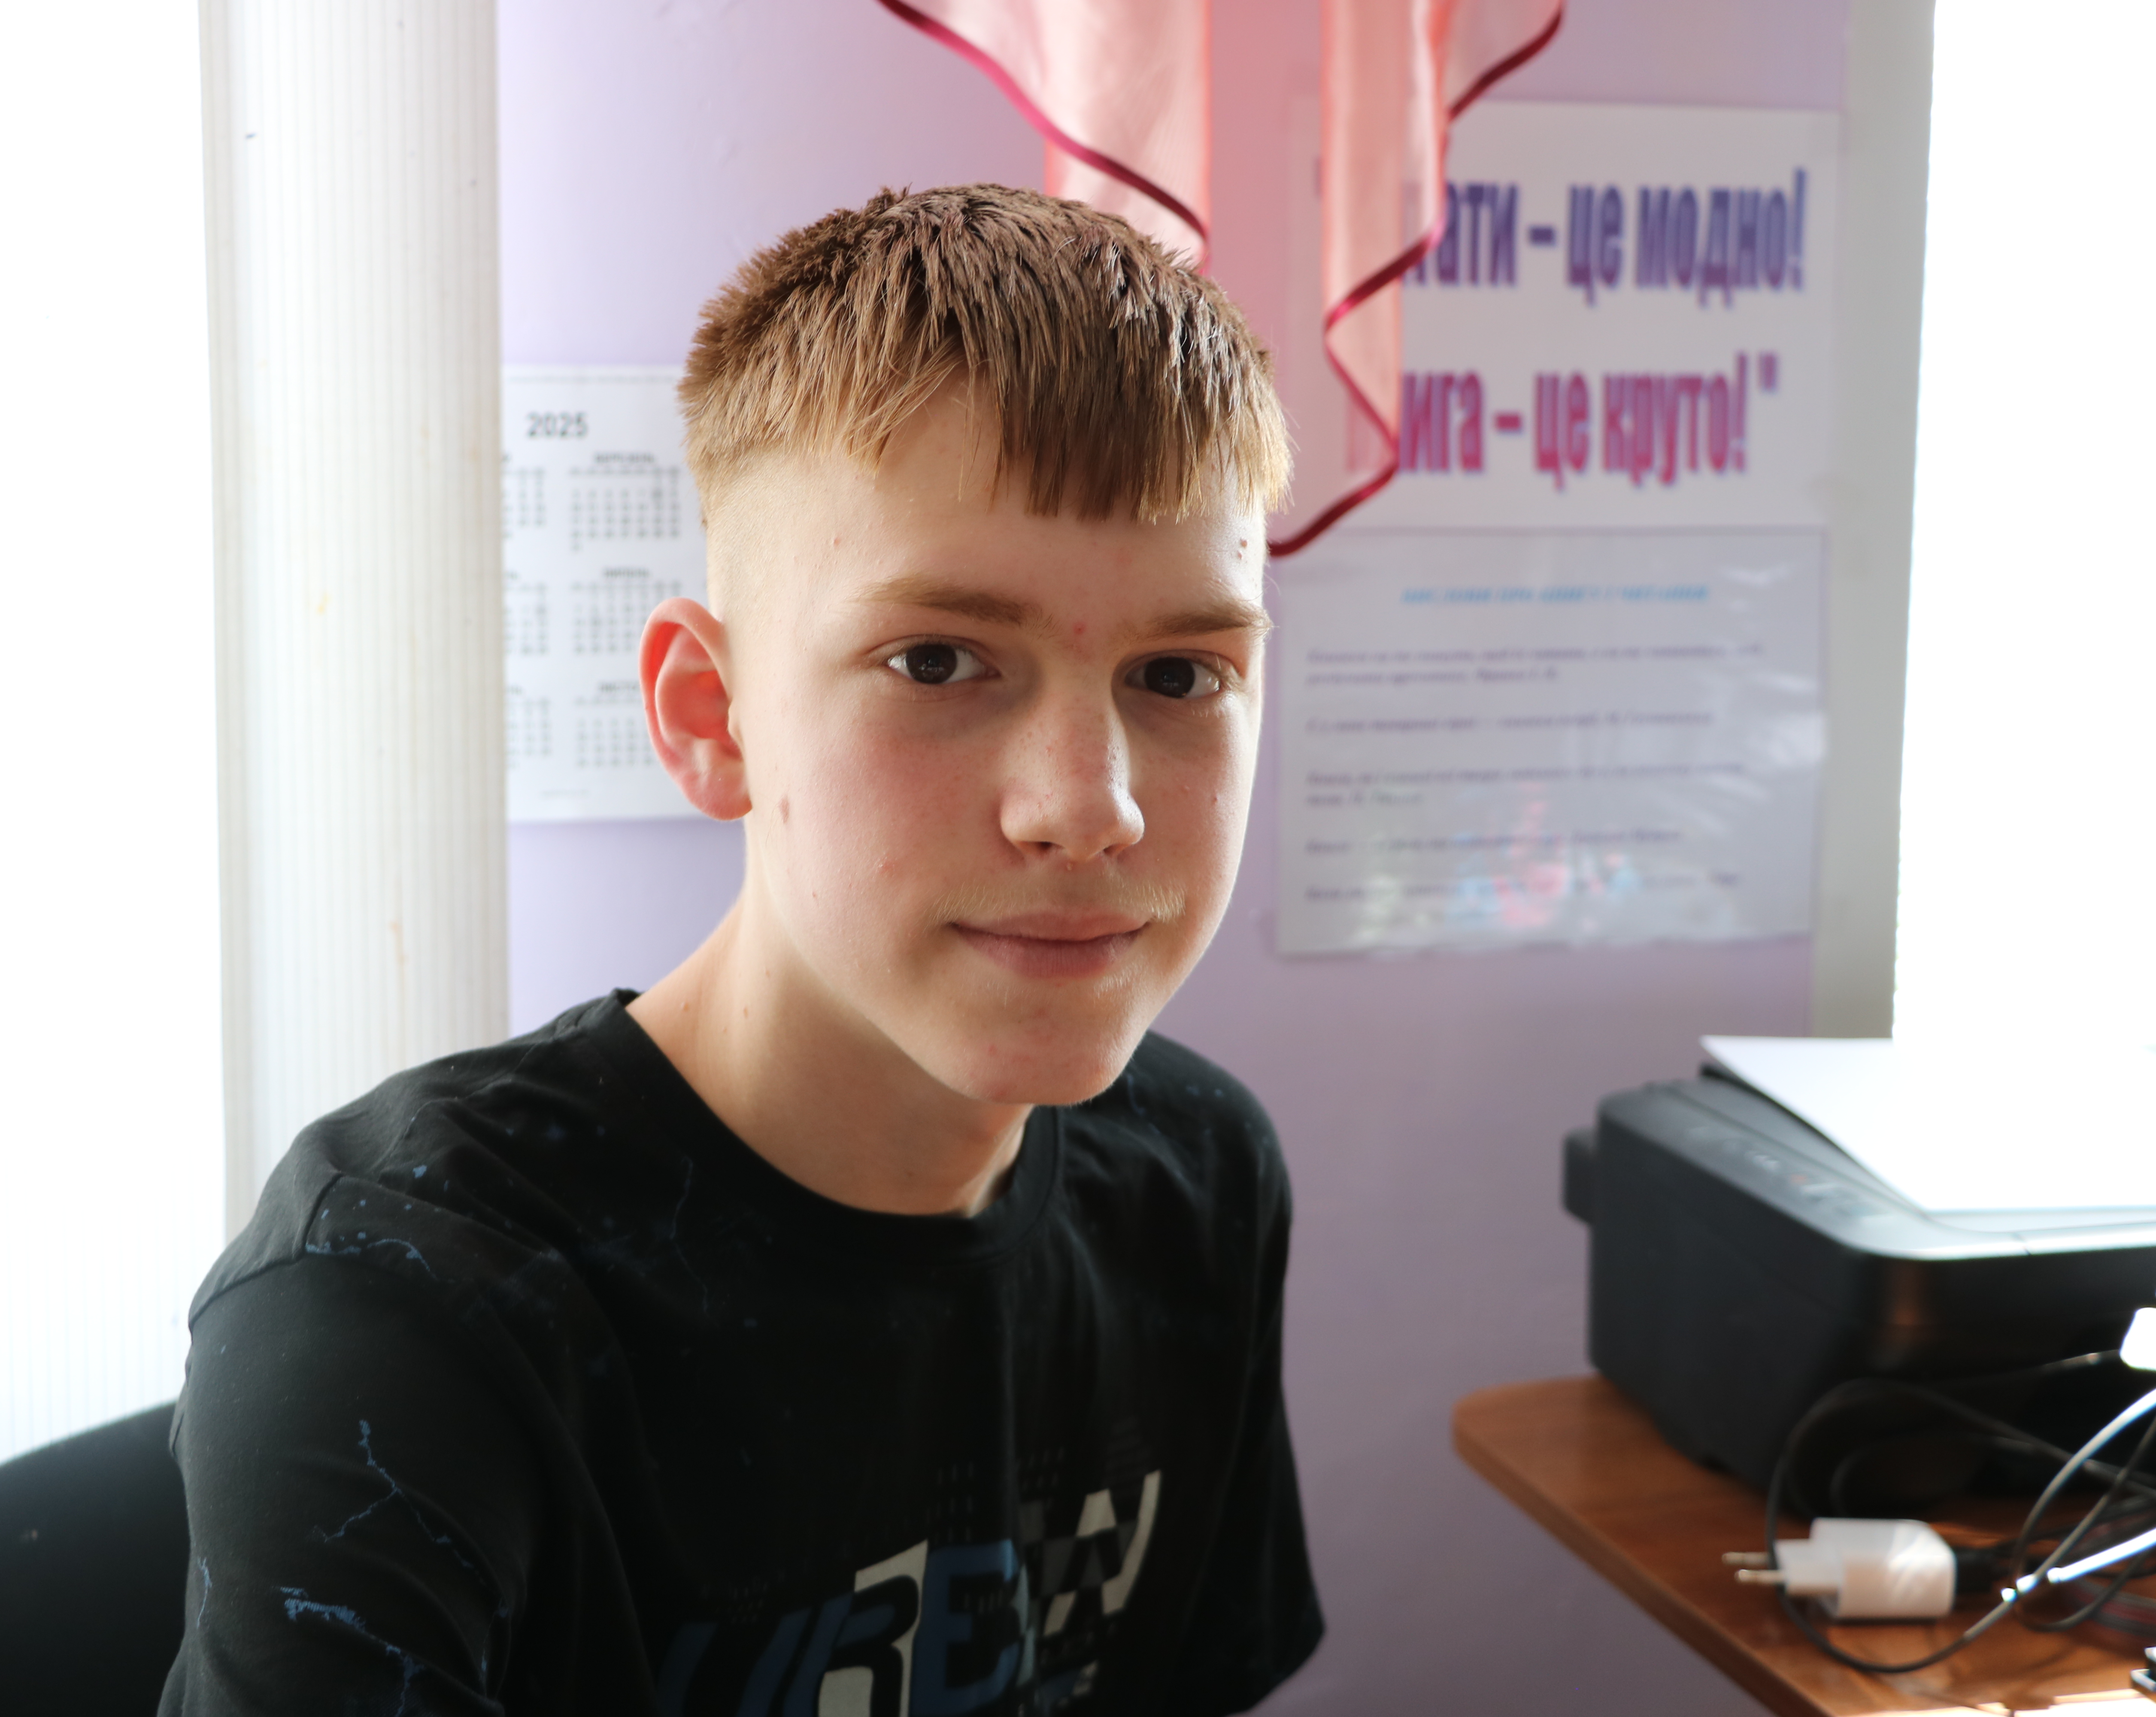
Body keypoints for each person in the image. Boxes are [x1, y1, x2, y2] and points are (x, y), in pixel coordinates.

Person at [160, 184, 1320, 1717]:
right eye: (937, 661)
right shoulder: (403, 1304)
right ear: (712, 720)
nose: (1088, 807)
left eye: (1180, 674)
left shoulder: (1197, 1180)